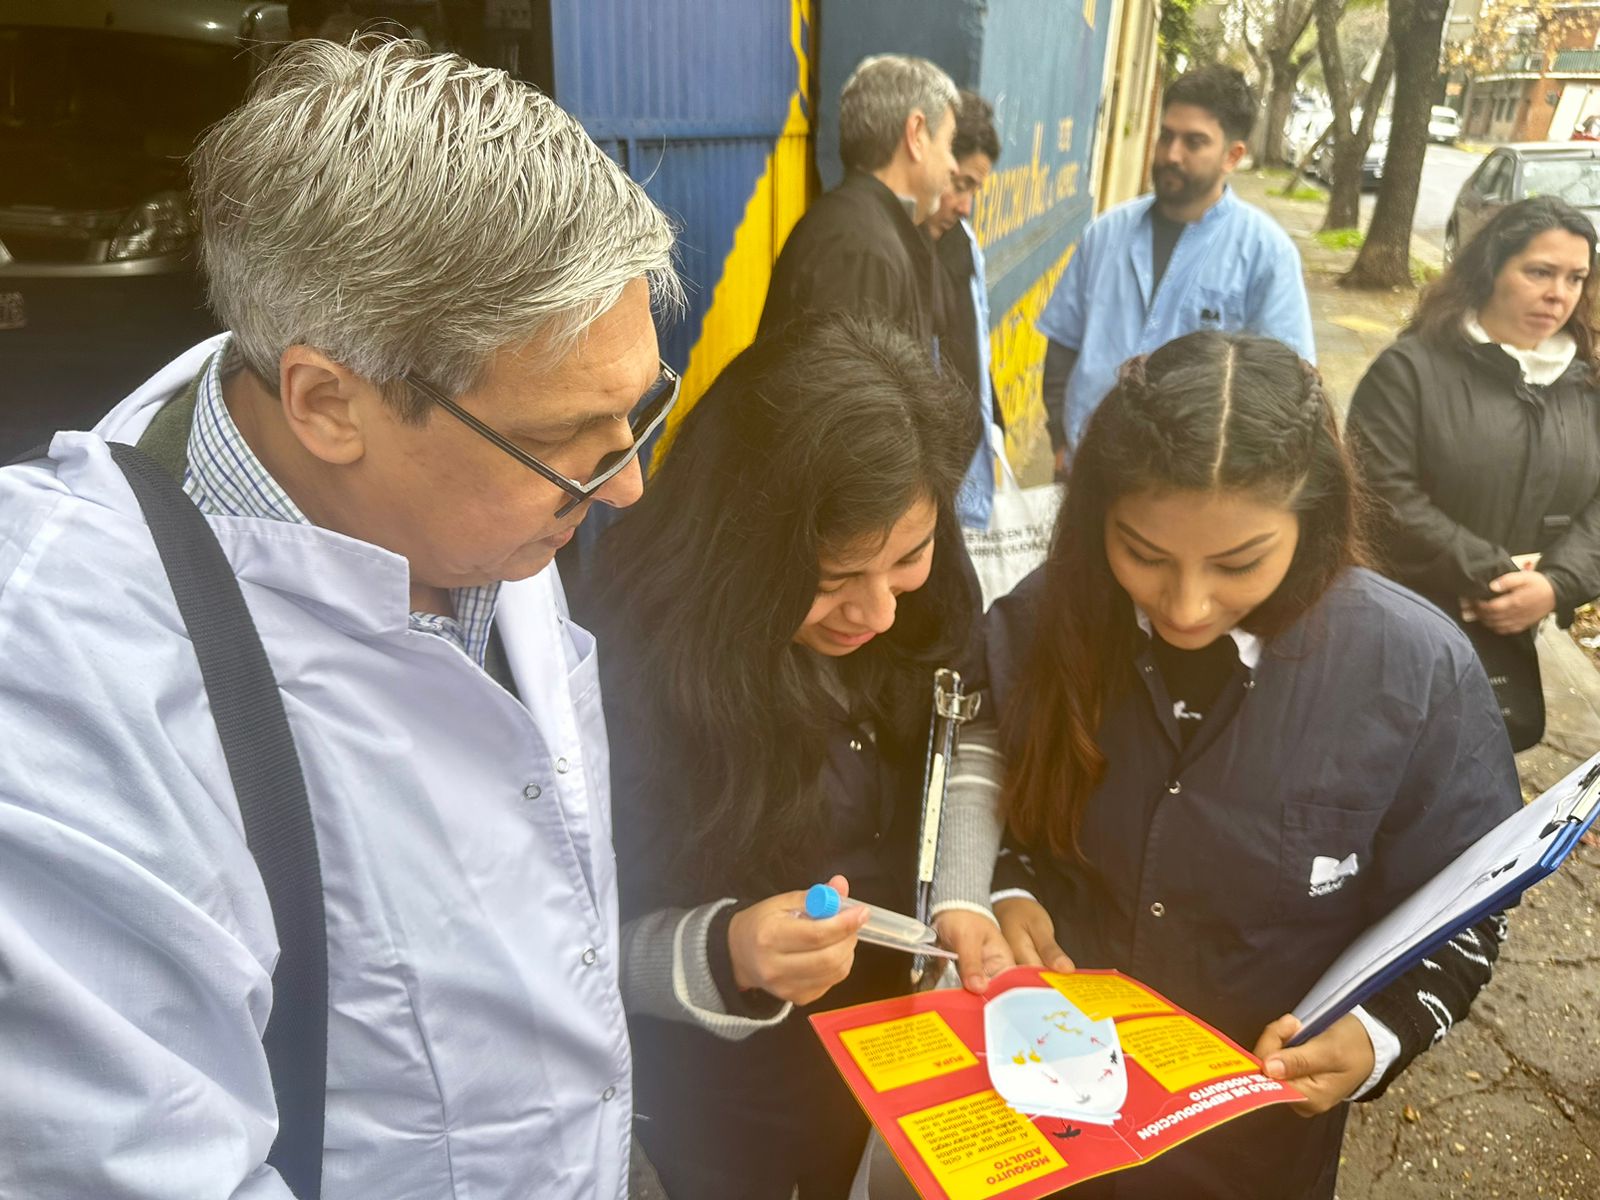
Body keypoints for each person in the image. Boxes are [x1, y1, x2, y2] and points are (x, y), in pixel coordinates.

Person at [0, 39, 679, 1199]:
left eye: (638, 413)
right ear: (326, 403)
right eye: (571, 441)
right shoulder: (56, 690)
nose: (623, 487)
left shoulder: (459, 474)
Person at [981, 332, 1520, 1199]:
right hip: (1038, 1124)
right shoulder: (1044, 619)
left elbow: (1468, 912)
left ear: (1314, 522)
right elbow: (977, 793)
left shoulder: (1415, 672)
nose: (1186, 602)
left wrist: (1379, 1034)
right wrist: (1002, 888)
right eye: (1144, 555)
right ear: (1095, 518)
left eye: (1239, 563)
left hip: (1249, 1152)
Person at [578, 316, 1013, 1200]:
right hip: (731, 1124)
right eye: (830, 576)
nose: (879, 612)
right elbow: (571, 951)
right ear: (741, 550)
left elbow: (967, 723)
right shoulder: (628, 677)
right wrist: (728, 952)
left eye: (908, 558)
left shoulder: (920, 607)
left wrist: (964, 892)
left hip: (900, 1081)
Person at [1348, 197, 1600, 752]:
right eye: (1539, 271)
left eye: (1575, 277)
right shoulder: (1410, 371)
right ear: (1491, 270)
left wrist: (1556, 586)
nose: (1559, 293)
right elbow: (1381, 494)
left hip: (1511, 634)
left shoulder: (1586, 384)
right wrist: (1499, 576)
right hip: (1406, 624)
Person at [1037, 65, 1315, 470]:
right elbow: (1064, 342)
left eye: (1194, 142)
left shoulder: (1266, 254)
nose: (1171, 154)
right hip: (1086, 468)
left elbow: (1285, 385)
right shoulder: (1105, 233)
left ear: (1232, 155)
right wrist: (1060, 440)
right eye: (1166, 135)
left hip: (1187, 491)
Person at [758, 54, 958, 354]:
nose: (954, 165)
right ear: (916, 134)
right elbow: (846, 397)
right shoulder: (863, 250)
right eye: (949, 143)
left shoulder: (867, 232)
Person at [926, 89, 1003, 531]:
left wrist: (996, 428)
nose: (965, 205)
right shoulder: (897, 255)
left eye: (974, 189)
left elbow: (977, 345)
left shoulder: (964, 244)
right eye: (960, 185)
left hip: (965, 480)